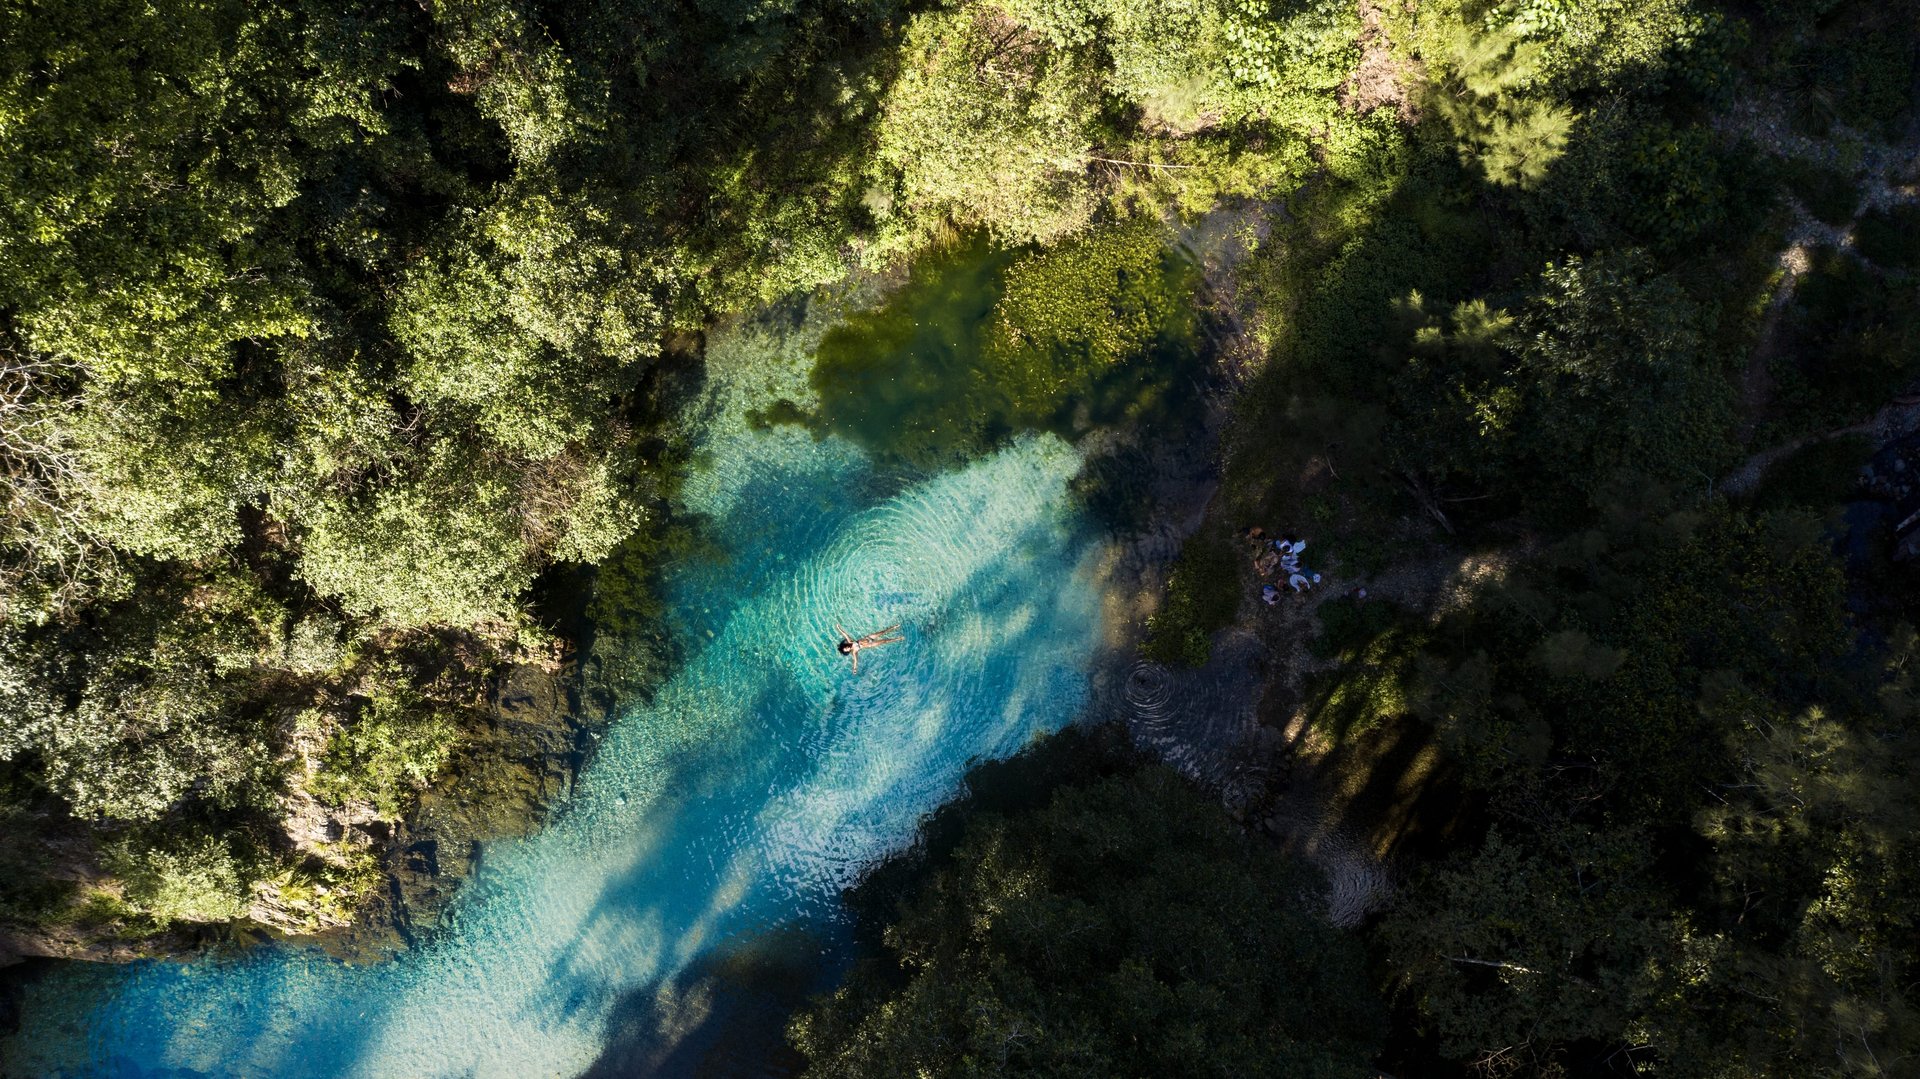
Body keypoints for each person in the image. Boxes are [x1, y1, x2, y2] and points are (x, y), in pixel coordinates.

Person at [836, 623, 904, 674]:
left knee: (883, 632)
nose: (847, 648)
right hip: (871, 644)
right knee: (885, 641)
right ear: (847, 651)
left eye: (845, 647)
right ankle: (897, 639)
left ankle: (894, 627)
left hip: (868, 638)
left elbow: (845, 634)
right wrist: (854, 669)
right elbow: (855, 661)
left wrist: (839, 628)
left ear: (845, 645)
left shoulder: (850, 641)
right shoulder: (854, 651)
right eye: (846, 650)